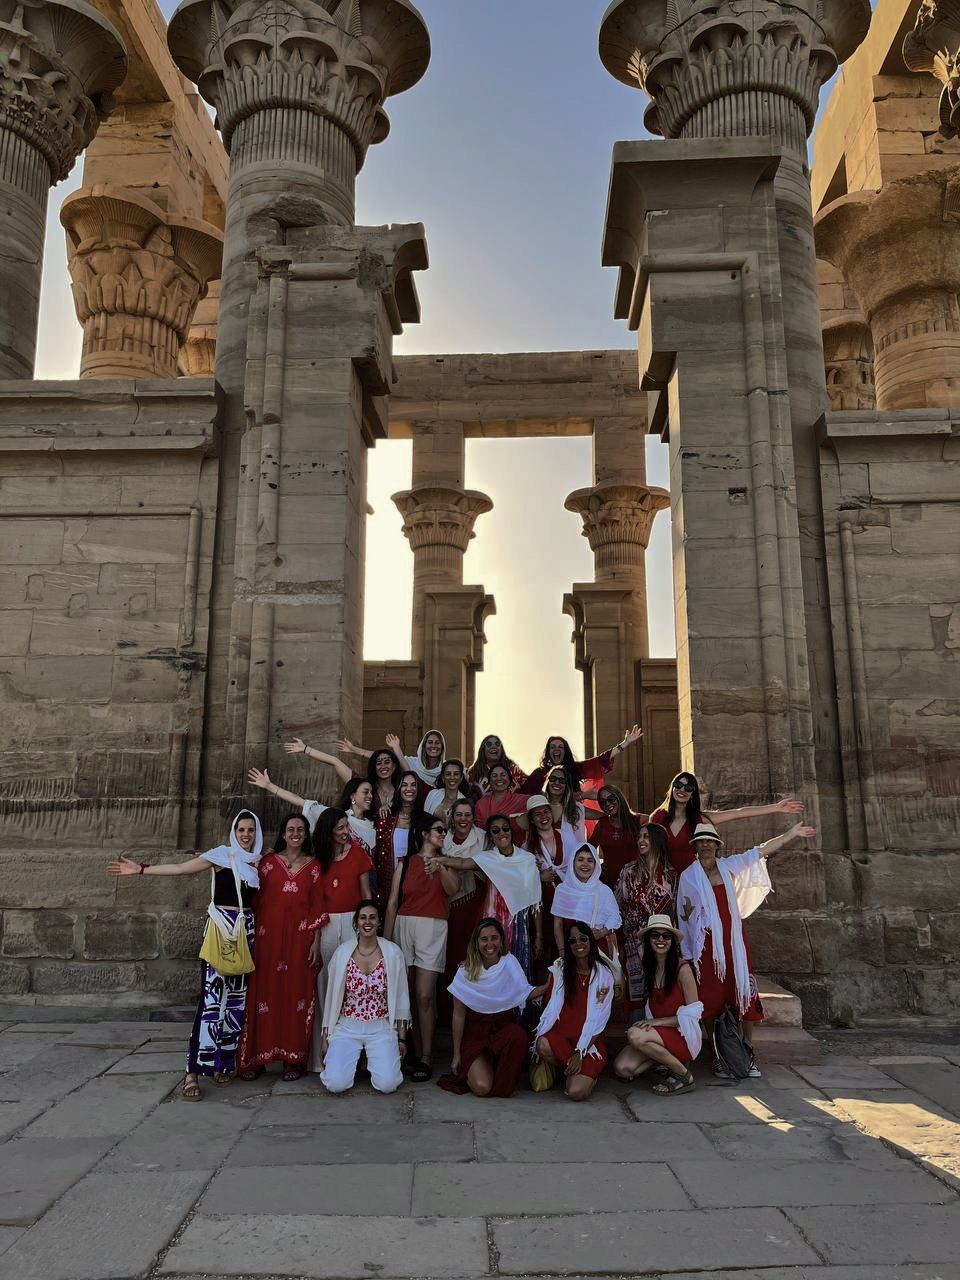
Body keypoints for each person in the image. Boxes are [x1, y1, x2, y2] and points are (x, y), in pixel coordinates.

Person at [107, 810, 263, 1101]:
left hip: (245, 935)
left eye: (250, 830)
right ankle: (191, 1072)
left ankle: (221, 1064)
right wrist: (142, 869)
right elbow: (181, 869)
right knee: (211, 1003)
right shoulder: (222, 856)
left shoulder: (256, 864)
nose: (245, 835)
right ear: (234, 831)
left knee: (235, 1005)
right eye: (241, 829)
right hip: (220, 932)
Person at [678, 820, 816, 1078]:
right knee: (709, 999)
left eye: (710, 841)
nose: (706, 845)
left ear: (717, 846)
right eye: (702, 841)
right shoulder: (688, 876)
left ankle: (747, 1050)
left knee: (744, 996)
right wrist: (687, 954)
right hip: (706, 949)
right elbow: (685, 916)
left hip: (733, 945)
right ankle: (719, 1054)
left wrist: (790, 834)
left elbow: (760, 851)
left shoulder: (729, 866)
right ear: (695, 846)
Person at [237, 813, 329, 1081]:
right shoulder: (266, 863)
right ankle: (255, 1059)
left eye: (300, 829)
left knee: (295, 996)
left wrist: (316, 941)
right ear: (283, 833)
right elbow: (249, 894)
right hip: (267, 942)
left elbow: (318, 906)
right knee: (261, 995)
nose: (295, 833)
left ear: (306, 833)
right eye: (290, 829)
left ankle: (293, 1059)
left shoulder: (314, 867)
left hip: (299, 942)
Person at [384, 818, 461, 1082]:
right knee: (408, 993)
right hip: (404, 925)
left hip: (434, 926)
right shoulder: (405, 863)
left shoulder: (447, 861)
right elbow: (394, 902)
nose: (444, 834)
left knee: (425, 994)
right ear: (426, 834)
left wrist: (441, 867)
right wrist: (385, 941)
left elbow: (453, 890)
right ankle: (416, 1052)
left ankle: (427, 1056)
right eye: (440, 830)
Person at [427, 814, 543, 983]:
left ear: (511, 831)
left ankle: (515, 1009)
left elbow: (536, 901)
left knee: (516, 972)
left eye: (505, 828)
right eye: (496, 831)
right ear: (490, 836)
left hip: (518, 923)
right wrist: (438, 860)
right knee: (489, 971)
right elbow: (460, 863)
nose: (501, 833)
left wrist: (539, 935)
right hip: (491, 920)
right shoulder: (488, 858)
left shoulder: (527, 860)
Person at [438, 918, 540, 1097]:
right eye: (484, 939)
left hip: (500, 1032)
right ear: (476, 943)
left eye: (494, 938)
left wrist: (552, 984)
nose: (490, 944)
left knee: (518, 1036)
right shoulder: (465, 971)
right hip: (475, 1036)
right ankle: (478, 1070)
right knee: (482, 1088)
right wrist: (456, 1055)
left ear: (501, 940)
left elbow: (526, 992)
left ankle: (500, 1080)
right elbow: (458, 1016)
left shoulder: (509, 963)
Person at [318, 900, 410, 1094]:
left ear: (379, 922)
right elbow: (332, 998)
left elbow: (401, 996)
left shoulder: (392, 953)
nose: (367, 922)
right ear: (356, 922)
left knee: (388, 1084)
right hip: (347, 1026)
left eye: (372, 918)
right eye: (362, 918)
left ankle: (375, 1059)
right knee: (336, 1084)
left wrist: (402, 1039)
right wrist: (327, 1036)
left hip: (381, 1027)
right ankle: (351, 1060)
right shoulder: (342, 953)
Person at [307, 807, 374, 1070]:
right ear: (329, 832)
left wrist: (369, 928)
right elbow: (313, 903)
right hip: (325, 924)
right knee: (324, 987)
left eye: (347, 826)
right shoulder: (317, 859)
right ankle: (321, 1057)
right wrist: (314, 939)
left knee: (354, 987)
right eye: (340, 828)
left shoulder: (357, 854)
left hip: (354, 923)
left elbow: (366, 892)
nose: (346, 832)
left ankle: (355, 1058)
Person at [613, 914, 702, 1095]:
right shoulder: (650, 967)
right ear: (648, 940)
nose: (661, 940)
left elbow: (693, 1016)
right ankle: (665, 1061)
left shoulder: (682, 969)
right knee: (622, 1068)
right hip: (660, 1036)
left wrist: (655, 1023)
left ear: (672, 941)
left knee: (635, 1035)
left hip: (682, 1035)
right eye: (655, 935)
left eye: (666, 936)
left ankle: (683, 1074)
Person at [650, 771, 805, 874]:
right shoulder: (658, 817)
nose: (682, 790)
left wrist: (776, 808)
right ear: (672, 788)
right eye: (678, 785)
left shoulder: (699, 819)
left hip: (692, 877)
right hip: (662, 877)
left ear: (693, 794)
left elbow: (737, 813)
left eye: (688, 787)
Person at [533, 922, 615, 1102]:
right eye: (572, 940)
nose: (578, 943)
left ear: (591, 941)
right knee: (542, 1044)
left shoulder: (603, 975)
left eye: (583, 939)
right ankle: (572, 1070)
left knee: (576, 1093)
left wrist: (580, 1052)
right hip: (563, 1038)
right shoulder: (560, 971)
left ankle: (582, 1074)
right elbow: (547, 1004)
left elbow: (599, 1019)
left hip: (589, 1043)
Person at [615, 822, 676, 1021]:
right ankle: (637, 1038)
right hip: (634, 944)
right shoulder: (628, 872)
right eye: (639, 837)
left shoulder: (671, 875)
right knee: (637, 996)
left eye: (646, 837)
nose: (641, 840)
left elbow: (674, 911)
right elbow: (617, 904)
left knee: (660, 990)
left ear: (657, 841)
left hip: (661, 944)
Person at [248, 766, 376, 857]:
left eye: (371, 793)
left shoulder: (373, 825)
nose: (370, 796)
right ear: (352, 796)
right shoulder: (335, 816)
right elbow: (300, 801)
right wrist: (269, 786)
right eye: (366, 792)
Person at [521, 727, 644, 795]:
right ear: (548, 752)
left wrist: (625, 743)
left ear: (565, 751)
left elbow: (601, 760)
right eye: (552, 747)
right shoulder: (539, 774)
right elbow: (524, 794)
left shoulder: (576, 769)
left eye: (560, 747)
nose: (556, 749)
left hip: (572, 817)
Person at [550, 842, 622, 958]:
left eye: (590, 860)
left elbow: (615, 918)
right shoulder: (562, 890)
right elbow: (557, 924)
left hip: (597, 949)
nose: (585, 864)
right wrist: (562, 952)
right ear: (573, 862)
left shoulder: (603, 890)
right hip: (571, 948)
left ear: (596, 864)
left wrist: (601, 933)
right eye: (580, 859)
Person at [375, 770, 426, 910]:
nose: (409, 789)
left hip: (416, 884)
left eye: (413, 785)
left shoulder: (426, 821)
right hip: (388, 883)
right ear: (398, 788)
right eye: (404, 785)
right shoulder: (386, 818)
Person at [520, 793, 567, 920]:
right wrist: (539, 877)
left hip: (568, 899)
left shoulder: (566, 837)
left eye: (546, 812)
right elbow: (521, 880)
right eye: (538, 814)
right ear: (532, 820)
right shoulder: (526, 847)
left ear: (551, 814)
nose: (543, 817)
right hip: (542, 902)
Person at [594, 783, 646, 889]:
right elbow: (587, 848)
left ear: (619, 798)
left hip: (635, 882)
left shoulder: (640, 820)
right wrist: (595, 864)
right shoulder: (602, 824)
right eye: (603, 802)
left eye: (611, 799)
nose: (607, 804)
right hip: (608, 882)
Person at [474, 762, 525, 834]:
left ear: (510, 779)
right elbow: (479, 832)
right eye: (494, 776)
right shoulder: (481, 804)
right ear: (489, 781)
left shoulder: (523, 801)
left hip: (517, 844)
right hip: (488, 844)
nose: (499, 778)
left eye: (503, 775)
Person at [424, 758, 470, 823]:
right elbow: (424, 819)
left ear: (461, 778)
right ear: (443, 778)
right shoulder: (433, 794)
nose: (452, 777)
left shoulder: (465, 802)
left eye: (456, 774)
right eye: (448, 774)